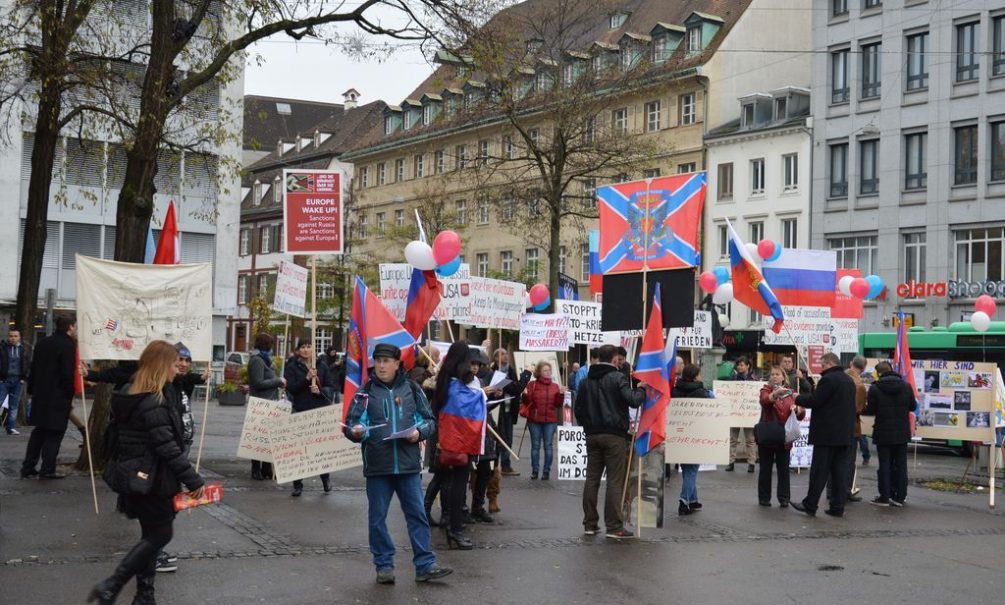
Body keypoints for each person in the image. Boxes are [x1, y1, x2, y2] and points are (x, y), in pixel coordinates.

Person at [87, 340, 205, 605]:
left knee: (150, 537)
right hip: (152, 479)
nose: (178, 370)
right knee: (161, 535)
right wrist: (194, 480)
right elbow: (168, 448)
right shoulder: (153, 401)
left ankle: (144, 596)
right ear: (163, 366)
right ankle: (111, 585)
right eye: (175, 365)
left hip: (137, 477)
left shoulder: (131, 391)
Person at [345, 343, 451, 584]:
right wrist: (357, 432)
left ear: (396, 364)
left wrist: (419, 433)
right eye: (378, 361)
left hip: (408, 466)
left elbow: (430, 421)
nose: (381, 365)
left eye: (386, 361)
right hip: (378, 466)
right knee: (377, 518)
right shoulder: (364, 392)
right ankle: (384, 565)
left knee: (417, 515)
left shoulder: (412, 389)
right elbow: (351, 425)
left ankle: (425, 565)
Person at [574, 344, 644, 539]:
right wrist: (642, 389)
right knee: (615, 481)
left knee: (592, 479)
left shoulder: (586, 381)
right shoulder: (617, 377)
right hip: (614, 435)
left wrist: (588, 427)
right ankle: (614, 526)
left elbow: (578, 409)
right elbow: (633, 400)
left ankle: (590, 523)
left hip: (592, 435)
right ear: (614, 359)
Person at [428, 341, 482, 549]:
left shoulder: (443, 379)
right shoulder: (463, 382)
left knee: (447, 482)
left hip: (445, 439)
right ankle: (455, 530)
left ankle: (451, 525)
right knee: (459, 484)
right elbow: (470, 406)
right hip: (461, 440)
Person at [791, 353, 856, 518]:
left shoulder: (828, 380)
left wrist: (797, 398)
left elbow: (816, 401)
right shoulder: (849, 380)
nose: (821, 368)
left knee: (819, 472)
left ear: (829, 364)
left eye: (822, 365)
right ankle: (837, 506)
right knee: (839, 472)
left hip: (826, 434)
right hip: (844, 434)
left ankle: (810, 504)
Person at [20, 315, 77, 479]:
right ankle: (47, 468)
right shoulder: (67, 346)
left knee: (38, 432)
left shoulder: (42, 342)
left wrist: (32, 390)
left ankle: (28, 466)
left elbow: (34, 368)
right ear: (70, 327)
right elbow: (67, 373)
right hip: (58, 395)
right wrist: (69, 393)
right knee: (54, 433)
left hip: (40, 393)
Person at [284, 338, 334, 496]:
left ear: (313, 349)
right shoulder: (292, 366)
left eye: (309, 346)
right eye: (303, 347)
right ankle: (297, 484)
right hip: (301, 410)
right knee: (299, 450)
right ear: (298, 350)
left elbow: (331, 388)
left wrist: (320, 391)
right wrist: (306, 379)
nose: (306, 350)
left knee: (320, 449)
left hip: (319, 411)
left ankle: (325, 479)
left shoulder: (322, 366)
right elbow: (291, 388)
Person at [864, 361, 914, 507]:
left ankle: (884, 497)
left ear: (879, 373)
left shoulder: (875, 388)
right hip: (901, 432)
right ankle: (900, 496)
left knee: (884, 465)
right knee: (901, 465)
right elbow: (913, 406)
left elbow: (871, 410)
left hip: (883, 432)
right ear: (891, 370)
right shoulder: (906, 386)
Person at [757, 366, 805, 507]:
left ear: (784, 377)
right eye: (772, 374)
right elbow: (765, 401)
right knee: (765, 469)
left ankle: (784, 498)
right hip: (768, 436)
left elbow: (801, 415)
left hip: (784, 437)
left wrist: (797, 409)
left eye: (777, 374)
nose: (774, 376)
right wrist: (776, 393)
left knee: (783, 470)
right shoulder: (765, 390)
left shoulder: (791, 393)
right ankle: (764, 498)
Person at [827, 356, 868, 504]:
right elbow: (859, 408)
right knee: (848, 461)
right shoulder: (859, 385)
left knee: (834, 459)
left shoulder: (839, 378)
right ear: (863, 368)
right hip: (851, 427)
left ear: (851, 364)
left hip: (835, 424)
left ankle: (831, 491)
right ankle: (844, 491)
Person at [468, 348, 501, 523]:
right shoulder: (458, 382)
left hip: (483, 430)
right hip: (468, 431)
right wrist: (482, 394)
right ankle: (459, 508)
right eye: (472, 364)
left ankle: (478, 506)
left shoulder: (478, 381)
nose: (475, 367)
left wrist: (492, 398)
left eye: (477, 364)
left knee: (485, 469)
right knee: (465, 471)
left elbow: (483, 407)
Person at [671, 364, 709, 515]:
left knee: (687, 468)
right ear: (695, 377)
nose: (701, 377)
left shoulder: (674, 391)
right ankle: (684, 501)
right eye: (699, 374)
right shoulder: (701, 392)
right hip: (695, 433)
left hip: (679, 434)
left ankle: (693, 500)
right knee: (692, 469)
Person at [247, 333, 286, 481]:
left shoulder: (264, 360)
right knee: (258, 438)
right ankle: (256, 469)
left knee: (267, 438)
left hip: (268, 403)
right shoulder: (257, 360)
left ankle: (266, 468)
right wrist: (278, 381)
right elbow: (258, 383)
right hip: (260, 404)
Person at [491, 348, 531, 478]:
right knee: (499, 439)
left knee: (507, 439)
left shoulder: (510, 370)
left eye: (506, 353)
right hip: (497, 411)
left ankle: (505, 465)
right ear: (496, 358)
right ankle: (495, 466)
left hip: (509, 410)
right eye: (502, 354)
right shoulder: (495, 373)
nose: (506, 356)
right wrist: (526, 374)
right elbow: (516, 389)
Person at [521, 360, 564, 480]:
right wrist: (524, 395)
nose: (548, 372)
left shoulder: (555, 386)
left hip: (550, 420)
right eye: (545, 370)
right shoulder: (532, 385)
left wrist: (560, 394)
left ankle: (546, 471)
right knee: (535, 446)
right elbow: (527, 402)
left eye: (549, 370)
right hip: (534, 420)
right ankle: (535, 470)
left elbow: (557, 404)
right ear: (539, 372)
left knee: (548, 446)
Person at [727, 356, 758, 473]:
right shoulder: (732, 379)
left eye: (742, 365)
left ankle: (751, 463)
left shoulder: (754, 380)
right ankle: (731, 462)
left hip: (749, 414)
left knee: (750, 440)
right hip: (735, 413)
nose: (740, 367)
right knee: (733, 439)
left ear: (747, 366)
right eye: (738, 365)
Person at [1, 327, 30, 435]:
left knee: (14, 405)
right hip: (4, 380)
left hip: (18, 380)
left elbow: (27, 364)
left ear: (19, 337)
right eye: (11, 336)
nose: (13, 338)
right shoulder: (3, 348)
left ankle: (11, 427)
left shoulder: (23, 349)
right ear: (8, 337)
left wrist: (24, 377)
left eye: (15, 336)